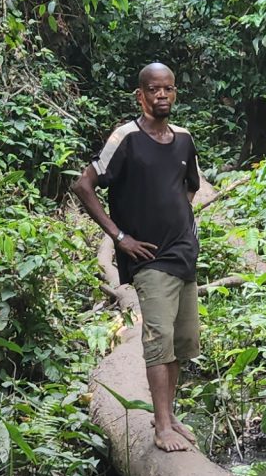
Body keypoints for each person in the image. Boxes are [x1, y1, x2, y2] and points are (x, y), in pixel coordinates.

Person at [73, 62, 206, 453]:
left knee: (182, 342)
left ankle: (169, 414)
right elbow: (83, 184)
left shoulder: (184, 140)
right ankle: (161, 426)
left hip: (184, 255)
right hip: (149, 258)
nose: (161, 95)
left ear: (175, 92)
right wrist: (120, 236)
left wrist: (181, 227)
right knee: (158, 338)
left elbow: (189, 188)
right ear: (141, 95)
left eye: (167, 89)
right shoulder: (126, 137)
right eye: (153, 89)